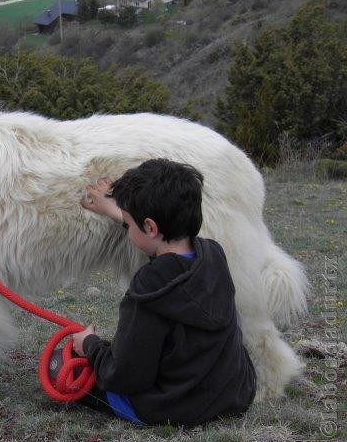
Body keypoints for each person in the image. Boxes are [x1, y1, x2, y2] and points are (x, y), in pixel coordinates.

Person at [63, 158, 256, 426]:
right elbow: (159, 240)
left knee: (59, 370)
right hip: (233, 394)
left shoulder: (149, 291)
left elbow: (125, 375)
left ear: (150, 227)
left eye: (129, 224)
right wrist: (122, 214)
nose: (128, 228)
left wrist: (90, 345)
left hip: (174, 408)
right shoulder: (212, 256)